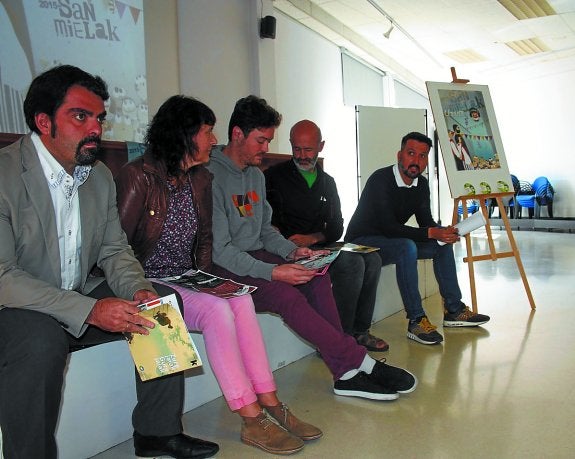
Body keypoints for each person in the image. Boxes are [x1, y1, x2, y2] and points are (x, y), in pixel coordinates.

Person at [0, 65, 219, 459]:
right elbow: (3, 277)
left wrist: (139, 290)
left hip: (75, 290)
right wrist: (90, 310)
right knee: (40, 342)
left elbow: (114, 250)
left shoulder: (98, 175)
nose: (95, 129)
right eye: (80, 116)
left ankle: (156, 432)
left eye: (99, 118)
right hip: (18, 306)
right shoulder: (5, 174)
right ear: (43, 121)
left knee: (162, 304)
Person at [115, 95, 321, 456]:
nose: (214, 140)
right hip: (146, 280)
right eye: (207, 132)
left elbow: (206, 240)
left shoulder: (200, 178)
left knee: (239, 298)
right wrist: (136, 286)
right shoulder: (136, 177)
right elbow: (117, 245)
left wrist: (212, 280)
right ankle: (250, 416)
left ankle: (271, 402)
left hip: (186, 276)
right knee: (217, 311)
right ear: (183, 135)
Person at [206, 95, 417, 402]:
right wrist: (274, 271)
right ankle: (359, 362)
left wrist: (291, 253)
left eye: (269, 141)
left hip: (258, 257)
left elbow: (265, 231)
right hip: (226, 267)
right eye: (261, 140)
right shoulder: (210, 177)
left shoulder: (254, 175)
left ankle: (345, 373)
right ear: (238, 134)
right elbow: (222, 251)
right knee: (286, 295)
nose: (266, 148)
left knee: (316, 276)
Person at [345, 131, 490, 346]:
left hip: (389, 241)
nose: (416, 161)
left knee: (441, 246)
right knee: (407, 247)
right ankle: (416, 320)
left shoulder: (421, 184)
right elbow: (388, 227)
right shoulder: (380, 180)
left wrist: (445, 232)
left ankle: (454, 310)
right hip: (361, 242)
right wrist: (431, 233)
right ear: (399, 155)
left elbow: (425, 221)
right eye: (411, 153)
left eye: (423, 156)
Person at [264, 119, 388, 352]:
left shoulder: (327, 182)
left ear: (321, 146)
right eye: (297, 149)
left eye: (308, 149)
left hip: (320, 246)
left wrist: (312, 238)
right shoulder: (273, 177)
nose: (302, 156)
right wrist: (290, 241)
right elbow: (266, 223)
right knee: (352, 264)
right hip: (290, 250)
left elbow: (337, 227)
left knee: (373, 259)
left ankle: (360, 331)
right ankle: (338, 339)